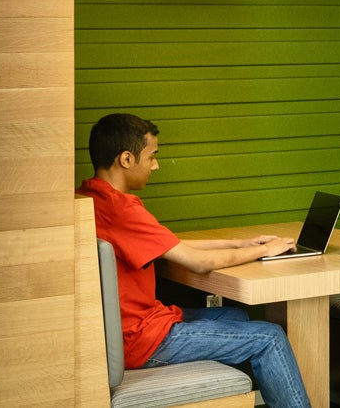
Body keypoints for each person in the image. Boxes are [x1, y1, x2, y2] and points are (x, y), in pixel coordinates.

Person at [76, 113, 311, 408]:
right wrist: (264, 251)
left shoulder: (90, 198)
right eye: (152, 157)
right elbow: (198, 263)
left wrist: (241, 242)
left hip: (132, 329)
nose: (156, 166)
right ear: (126, 159)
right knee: (270, 337)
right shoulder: (121, 208)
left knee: (235, 317)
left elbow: (169, 244)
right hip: (142, 340)